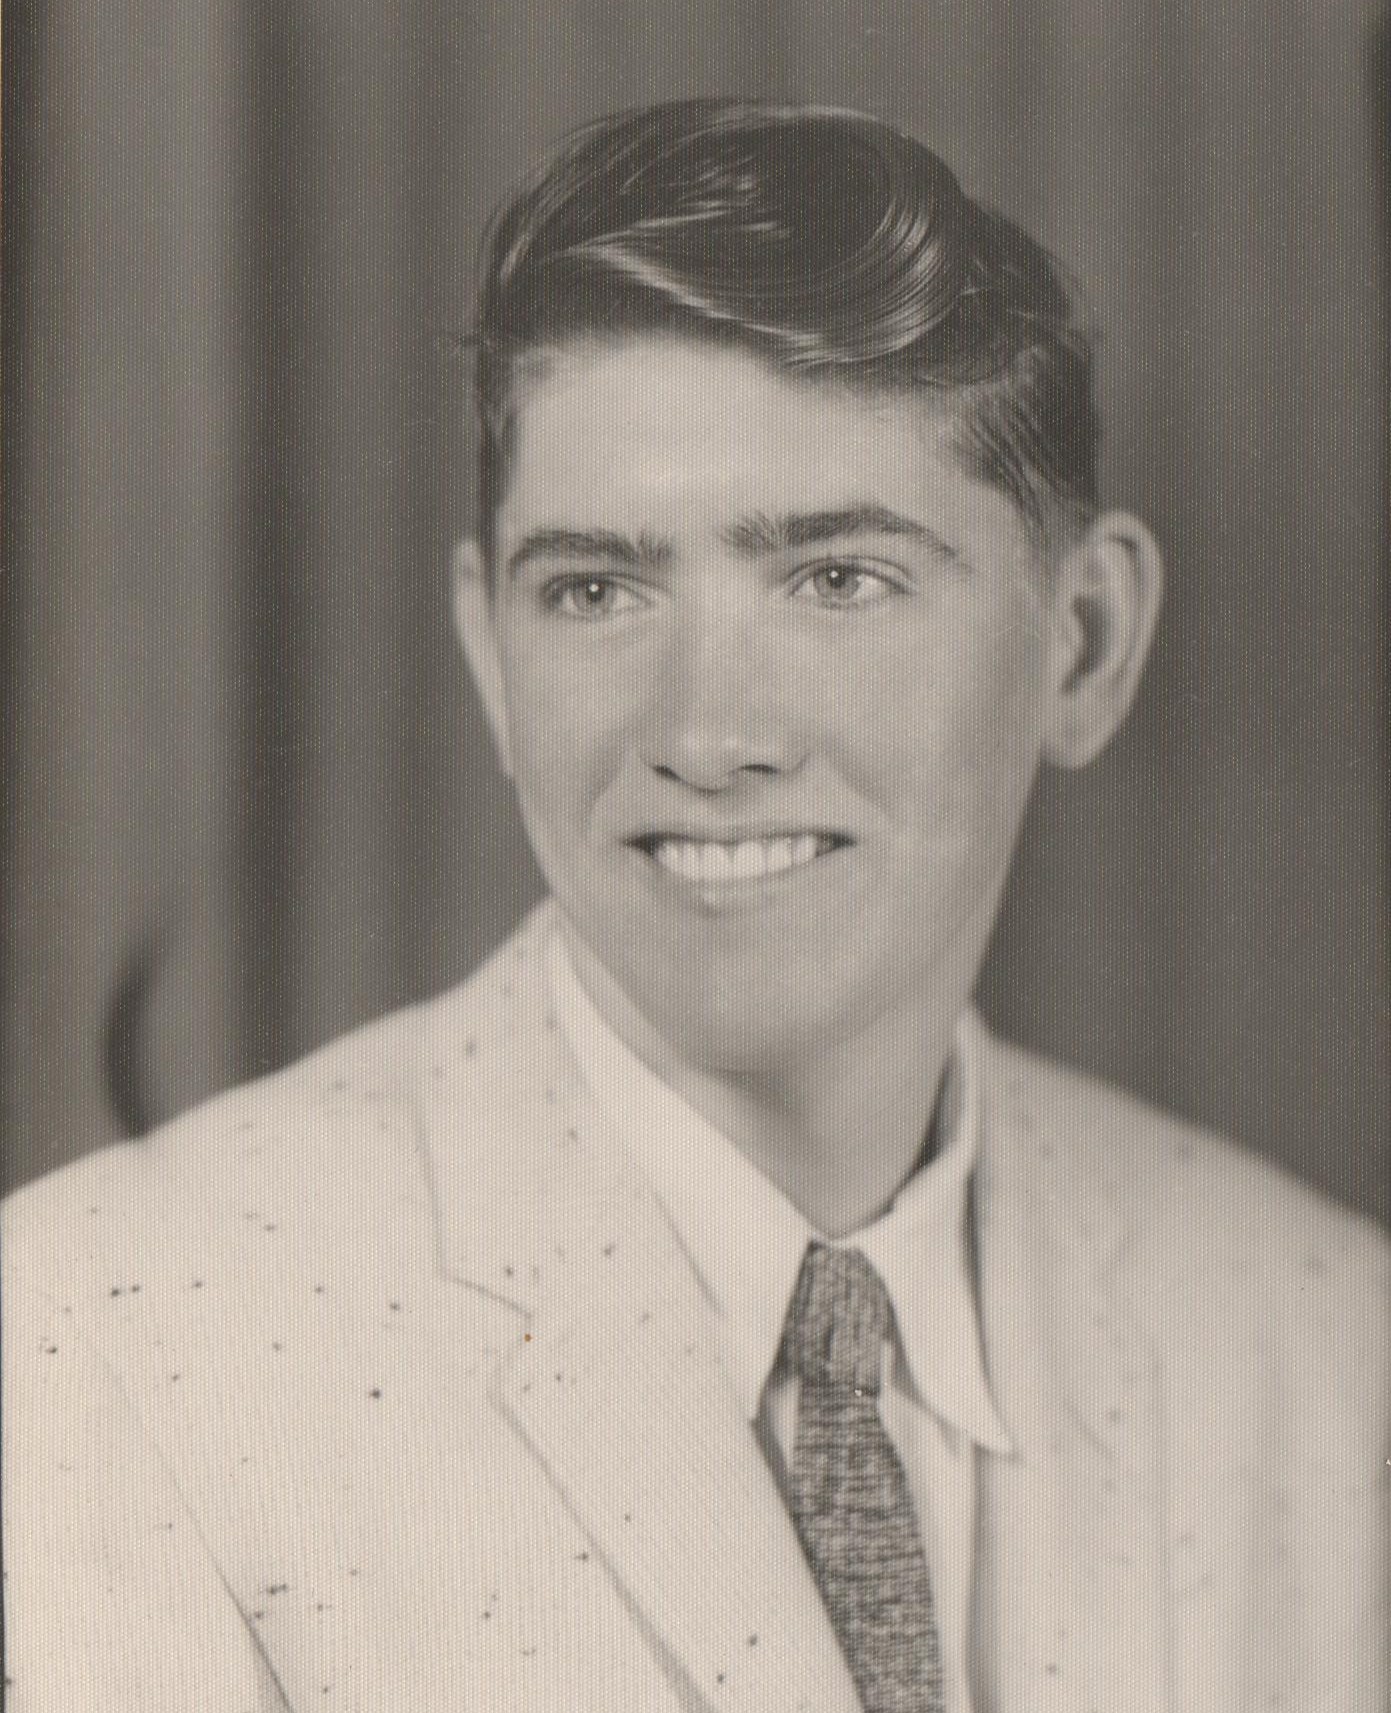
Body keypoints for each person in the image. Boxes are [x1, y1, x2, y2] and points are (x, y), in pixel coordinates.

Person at [3, 99, 1386, 1713]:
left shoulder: (1328, 1347)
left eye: (838, 578)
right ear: (490, 654)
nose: (707, 736)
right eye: (597, 590)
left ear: (1083, 642)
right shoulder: (101, 1344)